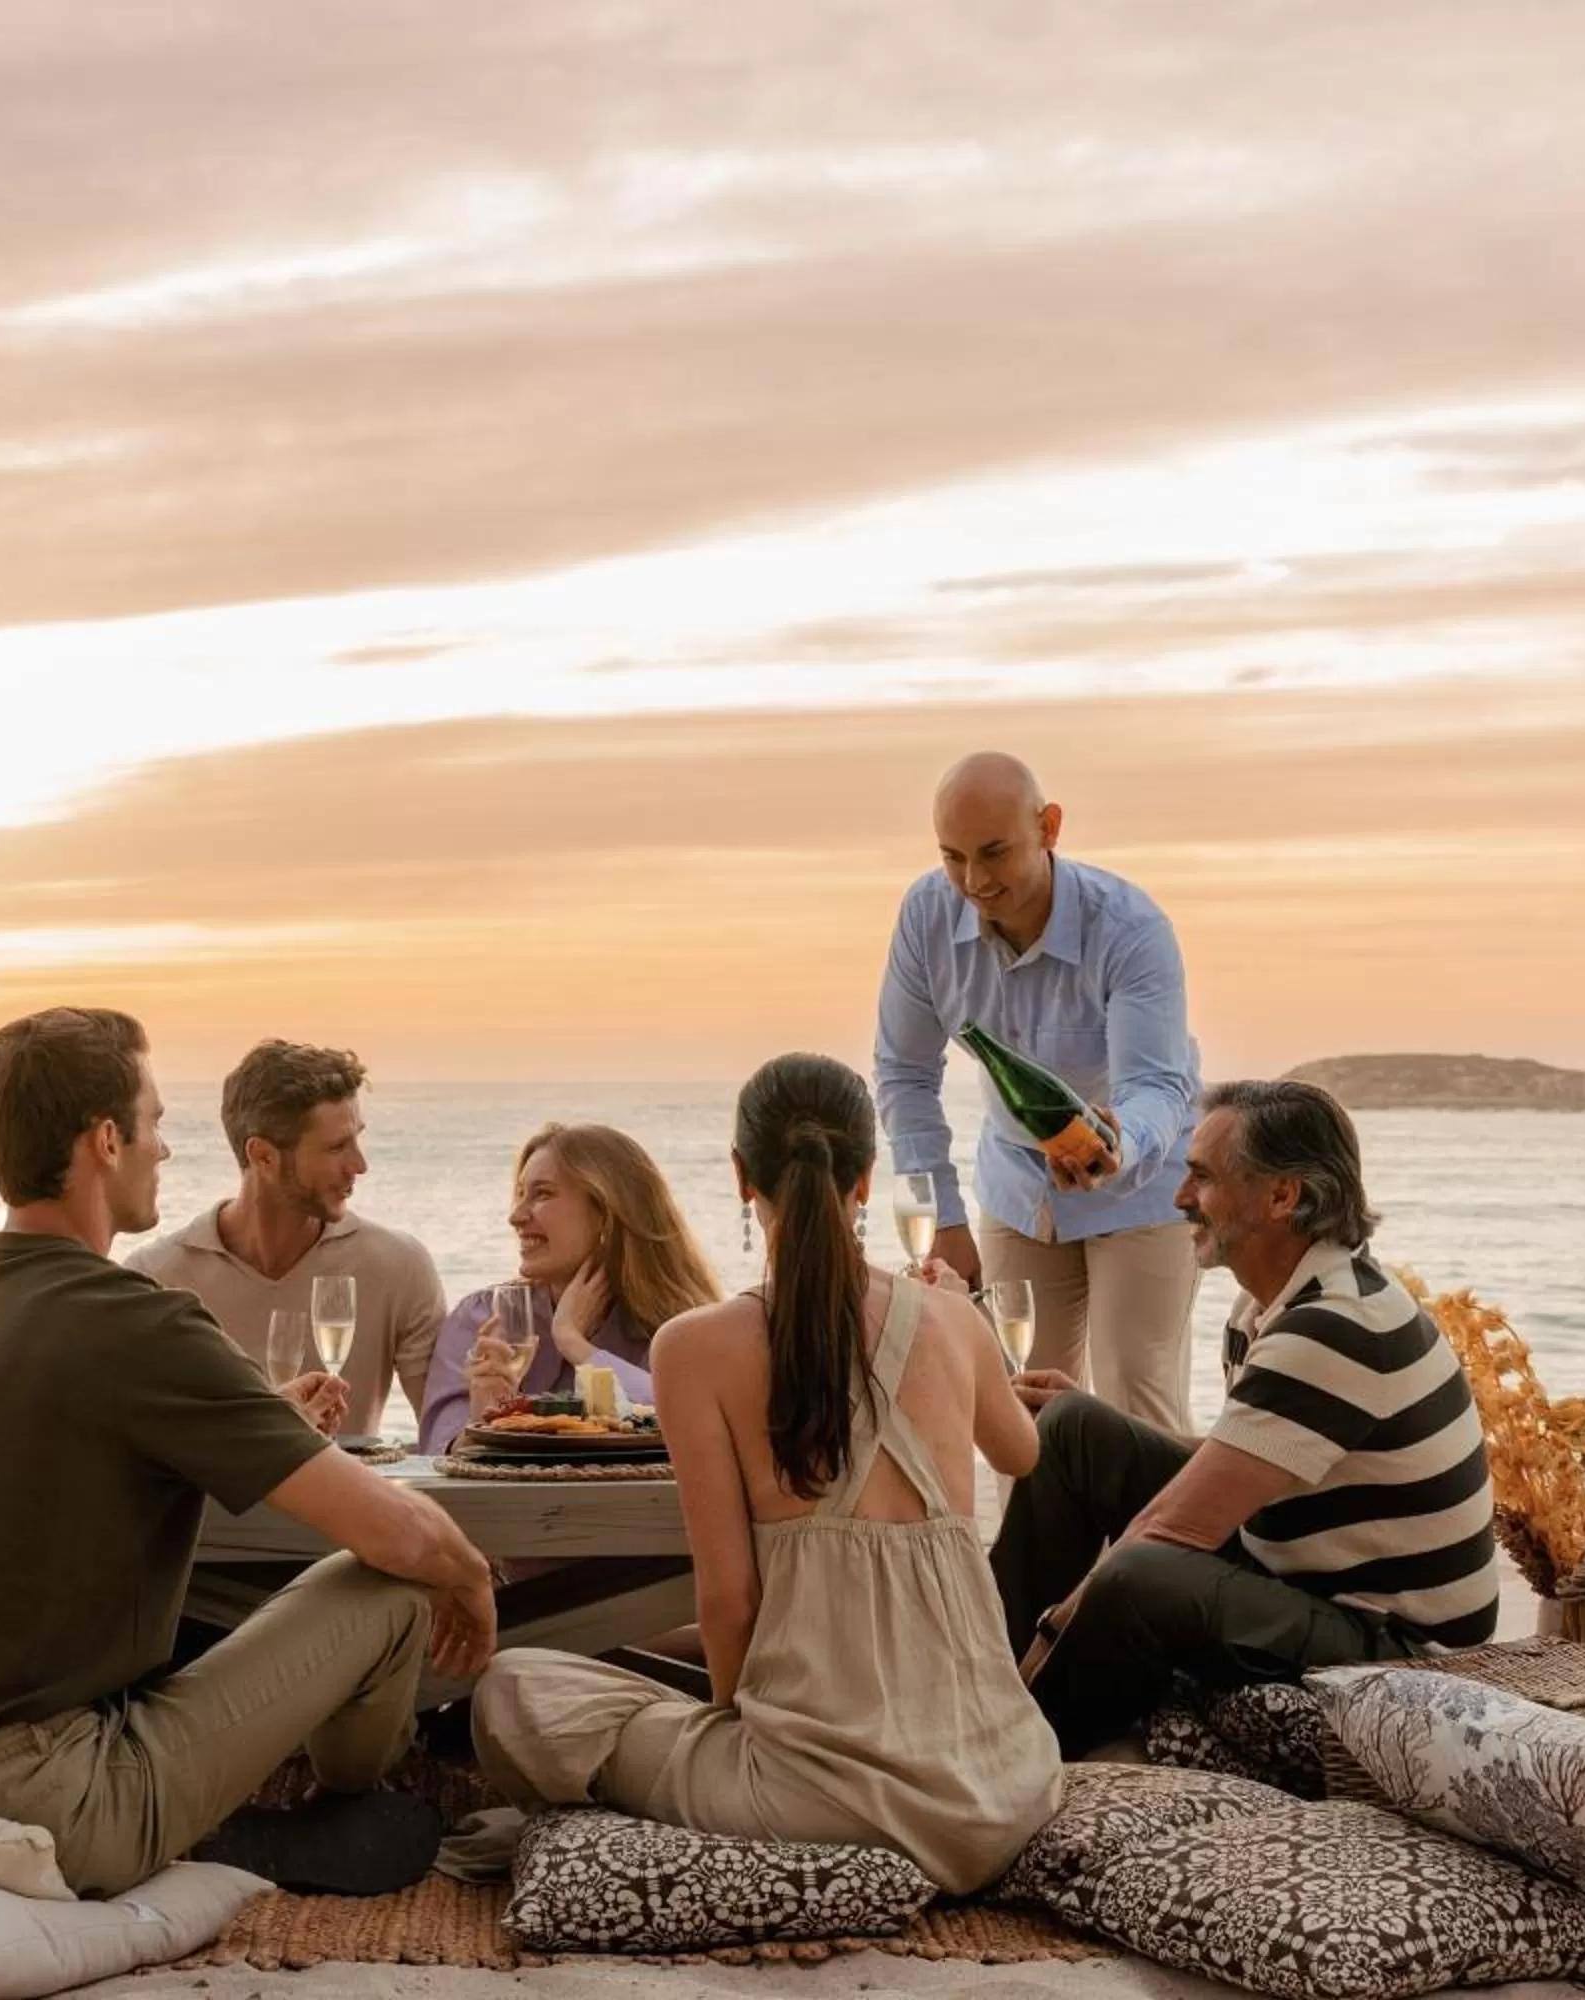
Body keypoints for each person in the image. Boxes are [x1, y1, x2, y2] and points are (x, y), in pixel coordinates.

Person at [0, 1007, 499, 1897]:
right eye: (155, 1123)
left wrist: (255, 1416)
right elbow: (399, 1537)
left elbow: (50, 1458)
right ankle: (333, 1811)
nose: (165, 1151)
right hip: (45, 1802)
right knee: (398, 1580)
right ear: (106, 1140)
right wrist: (471, 1579)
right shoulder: (140, 1318)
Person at [468, 1055, 1064, 1893]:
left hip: (813, 1802)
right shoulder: (953, 1319)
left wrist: (731, 1730)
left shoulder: (696, 1348)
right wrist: (980, 1363)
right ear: (865, 1177)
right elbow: (1023, 1456)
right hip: (1002, 1794)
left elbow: (730, 1600)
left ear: (743, 1176)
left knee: (512, 1686)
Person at [990, 1079, 1500, 1756]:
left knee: (1141, 1576)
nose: (1179, 1199)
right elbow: (1246, 1458)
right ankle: (980, 1677)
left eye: (1200, 1179)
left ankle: (1017, 1749)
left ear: (1282, 1197)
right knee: (1075, 1429)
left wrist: (1064, 1625)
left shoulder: (1334, 1328)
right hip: (1302, 1579)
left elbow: (1174, 1529)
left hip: (1397, 1645)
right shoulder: (1273, 1304)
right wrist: (1095, 1419)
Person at [874, 751, 1204, 1433]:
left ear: (1049, 828)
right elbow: (905, 1072)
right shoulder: (926, 917)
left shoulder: (1131, 928)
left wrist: (1120, 1142)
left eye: (995, 853)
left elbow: (1158, 1084)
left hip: (1141, 1183)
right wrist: (945, 1221)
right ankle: (1037, 1546)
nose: (975, 881)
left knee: (1133, 1402)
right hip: (1016, 1184)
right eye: (953, 857)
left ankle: (1151, 1544)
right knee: (1016, 1408)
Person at [127, 1039, 447, 1442]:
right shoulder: (155, 1278)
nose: (359, 1165)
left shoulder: (399, 1266)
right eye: (336, 1147)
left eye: (356, 1140)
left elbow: (445, 1437)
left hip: (349, 1504)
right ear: (263, 1157)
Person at [415, 1123, 722, 1457]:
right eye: (520, 1194)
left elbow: (690, 1428)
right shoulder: (481, 1319)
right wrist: (481, 1423)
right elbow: (435, 1457)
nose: (515, 1216)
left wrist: (573, 1342)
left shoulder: (680, 1328)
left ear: (606, 1213)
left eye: (543, 1194)